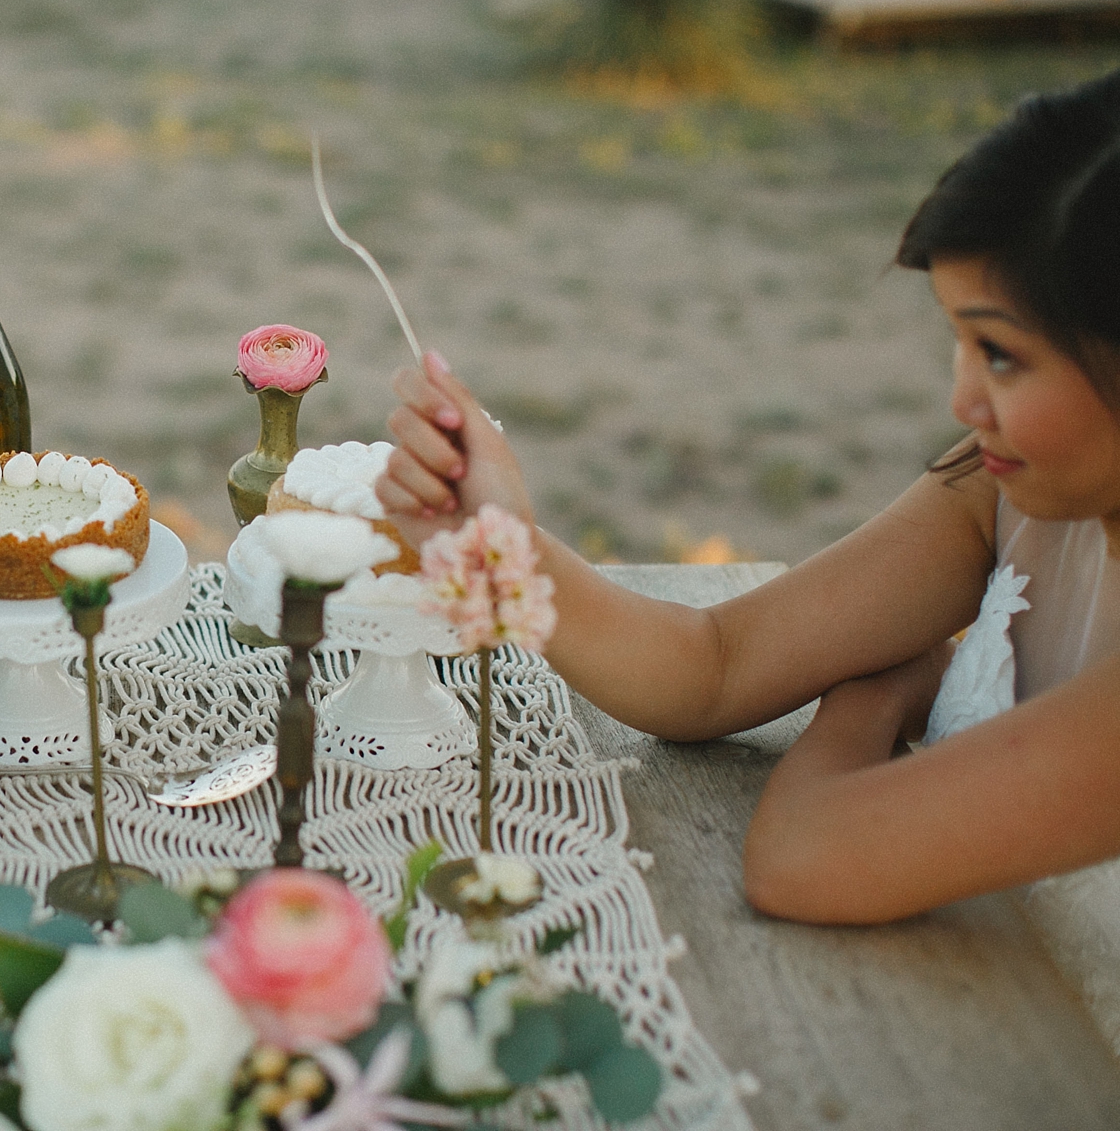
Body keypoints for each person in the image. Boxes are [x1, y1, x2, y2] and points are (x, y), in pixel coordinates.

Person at [379, 67, 1120, 928]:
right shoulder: (1004, 493)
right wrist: (503, 538)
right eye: (957, 341)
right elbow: (711, 669)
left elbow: (804, 862)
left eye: (1001, 354)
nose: (963, 401)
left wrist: (876, 693)